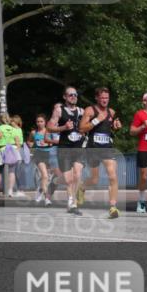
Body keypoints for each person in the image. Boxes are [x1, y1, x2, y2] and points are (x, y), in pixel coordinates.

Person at [78, 87, 123, 218]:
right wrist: (97, 120)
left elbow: (110, 129)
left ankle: (113, 207)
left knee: (113, 176)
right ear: (97, 98)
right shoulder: (90, 110)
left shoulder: (111, 112)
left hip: (107, 148)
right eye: (102, 98)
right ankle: (81, 188)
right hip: (93, 148)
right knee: (94, 179)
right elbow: (81, 128)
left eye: (107, 98)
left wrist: (116, 127)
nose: (105, 100)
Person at [47, 87, 85, 216]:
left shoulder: (82, 111)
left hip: (78, 148)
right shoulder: (59, 110)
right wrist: (63, 127)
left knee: (77, 175)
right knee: (69, 179)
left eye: (75, 95)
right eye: (70, 95)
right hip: (65, 148)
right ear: (65, 97)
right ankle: (70, 201)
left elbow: (90, 126)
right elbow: (49, 127)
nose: (73, 97)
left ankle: (72, 203)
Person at [30, 114, 59, 205]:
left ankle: (40, 190)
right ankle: (47, 199)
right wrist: (31, 148)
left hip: (49, 155)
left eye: (41, 121)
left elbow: (56, 142)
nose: (39, 123)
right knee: (45, 176)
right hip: (39, 155)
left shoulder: (49, 131)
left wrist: (49, 143)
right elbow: (29, 141)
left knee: (51, 178)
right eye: (38, 121)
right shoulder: (34, 132)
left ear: (45, 122)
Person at [0, 114, 26, 198]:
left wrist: (17, 152)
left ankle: (20, 189)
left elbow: (17, 141)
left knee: (16, 172)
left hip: (16, 150)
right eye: (11, 121)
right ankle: (13, 190)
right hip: (15, 150)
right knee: (13, 171)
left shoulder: (16, 130)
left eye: (12, 121)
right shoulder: (16, 129)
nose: (10, 122)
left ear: (16, 122)